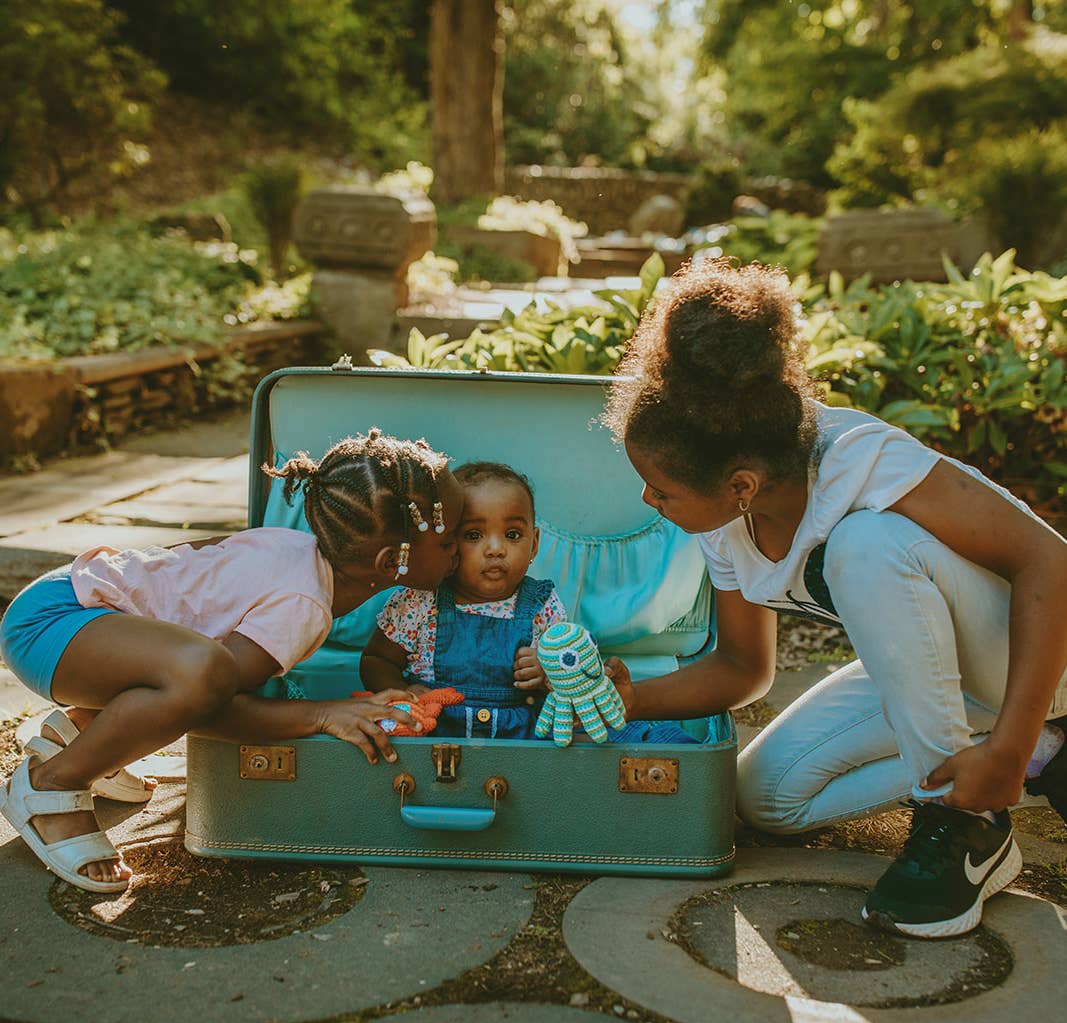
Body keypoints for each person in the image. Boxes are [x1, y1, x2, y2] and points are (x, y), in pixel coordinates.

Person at [600, 257, 1067, 939]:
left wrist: (1006, 740)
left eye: (662, 490)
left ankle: (964, 825)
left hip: (1036, 653)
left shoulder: (857, 460)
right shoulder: (726, 516)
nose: (649, 500)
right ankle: (1044, 754)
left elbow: (1048, 560)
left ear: (740, 483)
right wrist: (631, 698)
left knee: (864, 545)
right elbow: (740, 667)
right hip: (949, 679)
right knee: (765, 800)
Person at [0, 429, 463, 894]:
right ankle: (52, 784)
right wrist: (323, 714)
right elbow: (208, 703)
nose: (463, 550)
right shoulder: (304, 605)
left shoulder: (293, 546)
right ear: (390, 563)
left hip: (64, 600)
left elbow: (188, 569)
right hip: (54, 627)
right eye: (450, 543)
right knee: (207, 671)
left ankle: (84, 731)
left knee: (201, 665)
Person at [361, 461, 696, 744]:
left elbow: (571, 676)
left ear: (534, 544)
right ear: (448, 542)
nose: (496, 549)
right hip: (433, 732)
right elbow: (377, 659)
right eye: (474, 535)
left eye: (512, 535)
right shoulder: (420, 600)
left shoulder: (541, 604)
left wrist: (547, 670)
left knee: (611, 737)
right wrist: (404, 695)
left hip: (523, 741)